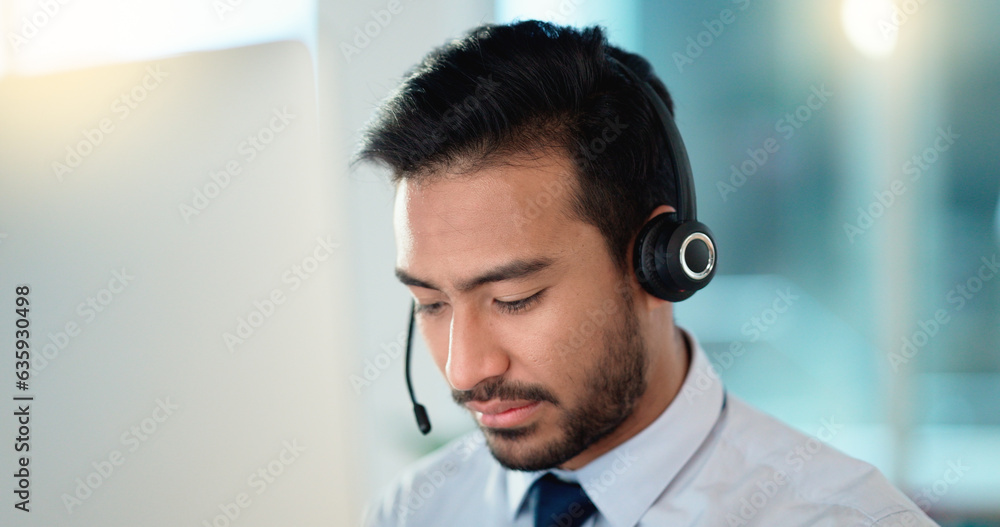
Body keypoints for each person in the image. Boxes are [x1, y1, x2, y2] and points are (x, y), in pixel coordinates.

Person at [355, 19, 937, 527]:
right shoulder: (413, 512)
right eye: (431, 303)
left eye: (515, 297)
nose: (464, 369)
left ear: (660, 263)